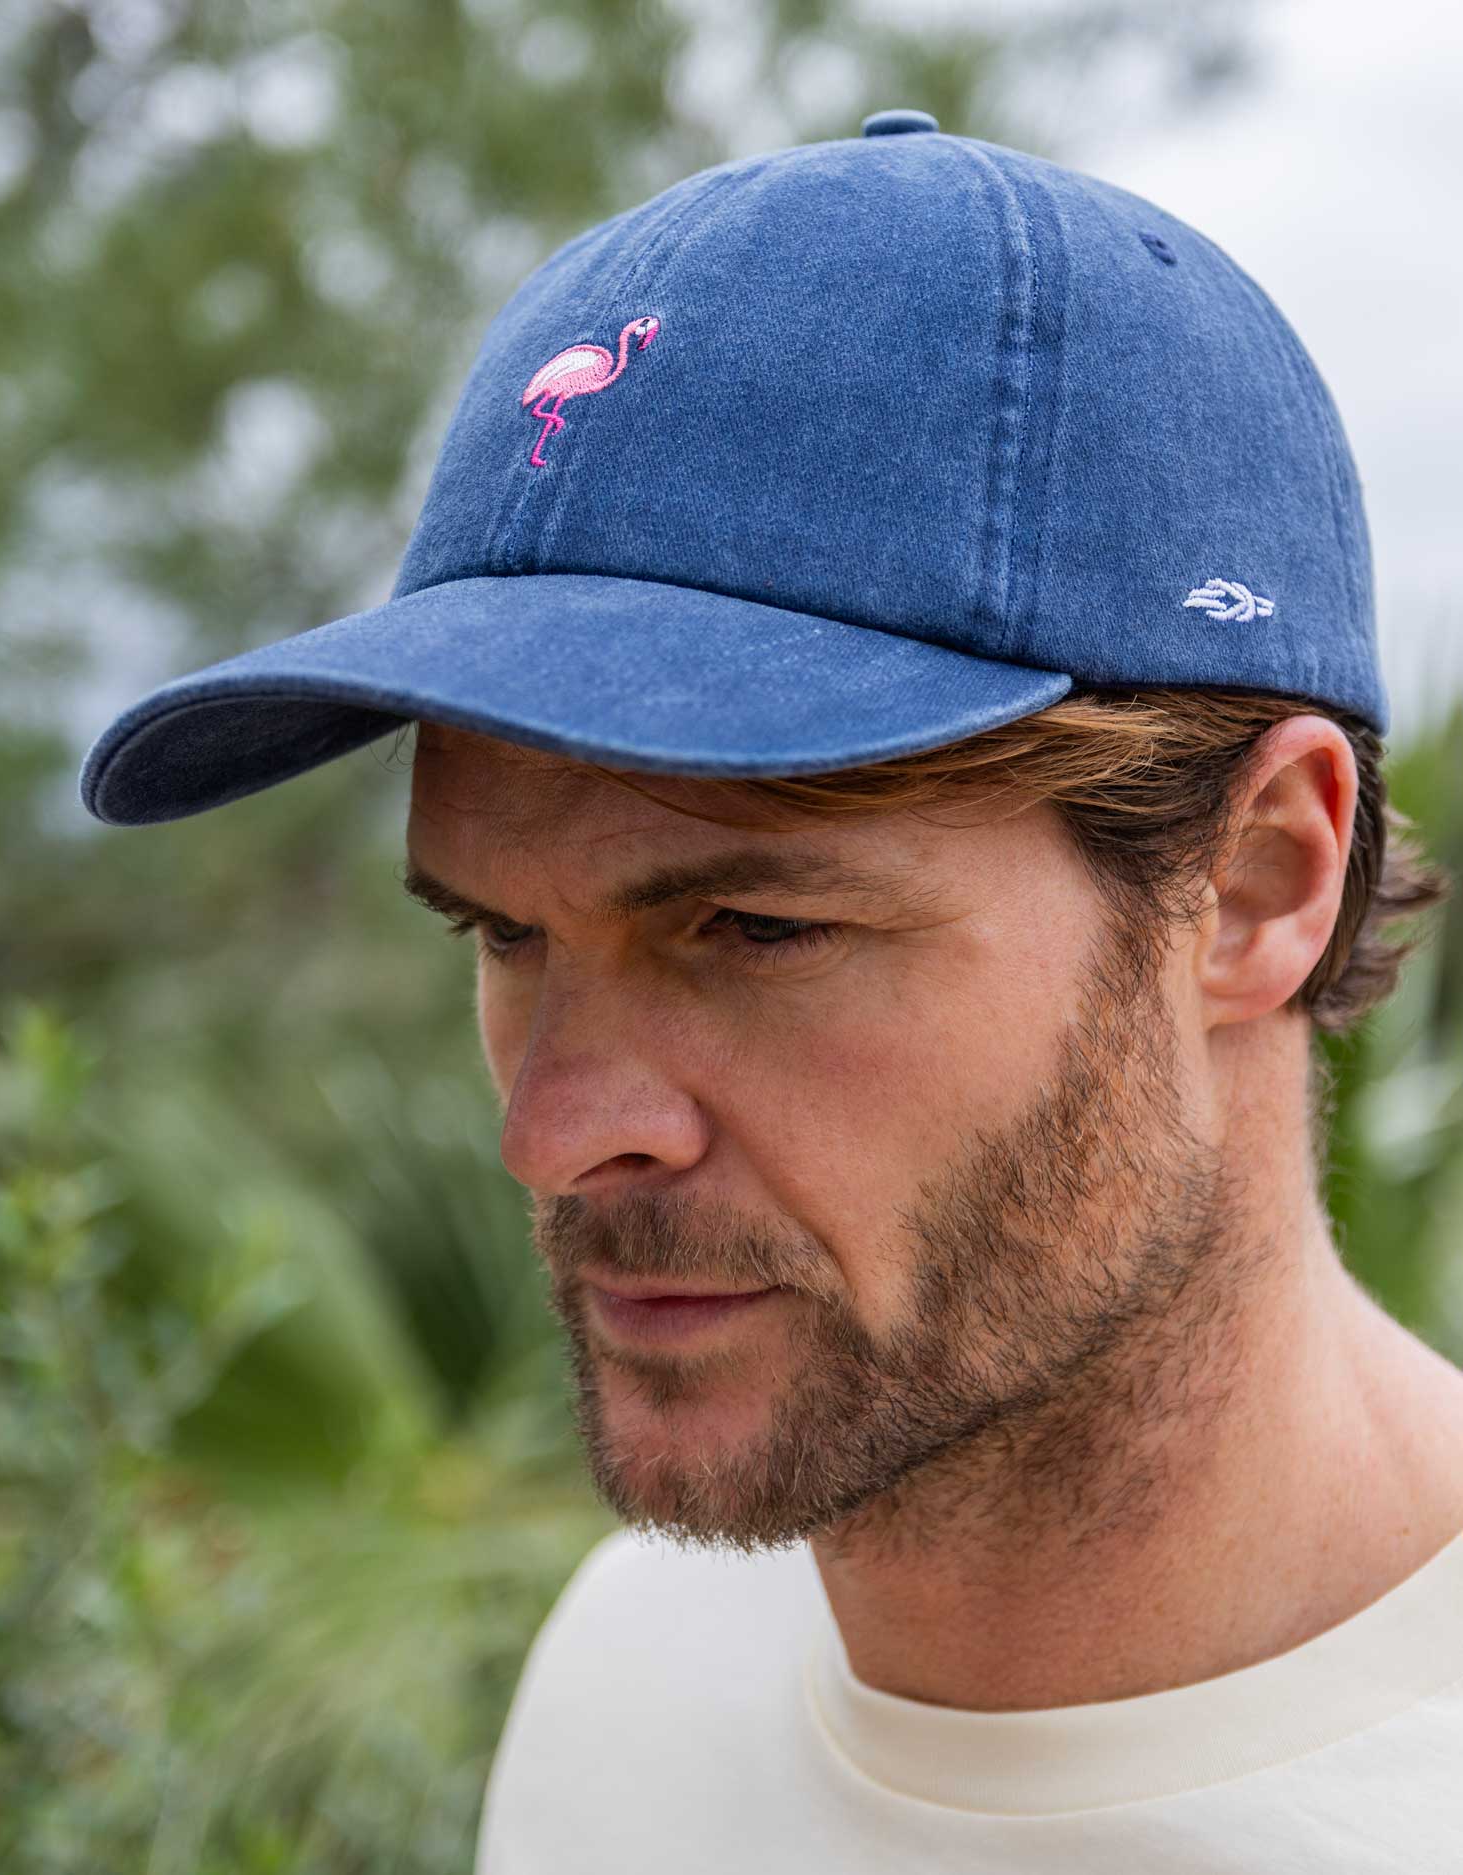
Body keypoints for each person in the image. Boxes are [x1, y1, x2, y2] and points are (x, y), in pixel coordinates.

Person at [79, 109, 1463, 1871]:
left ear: (1257, 882)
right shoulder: (629, 1668)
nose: (553, 1135)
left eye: (753, 928)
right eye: (503, 934)